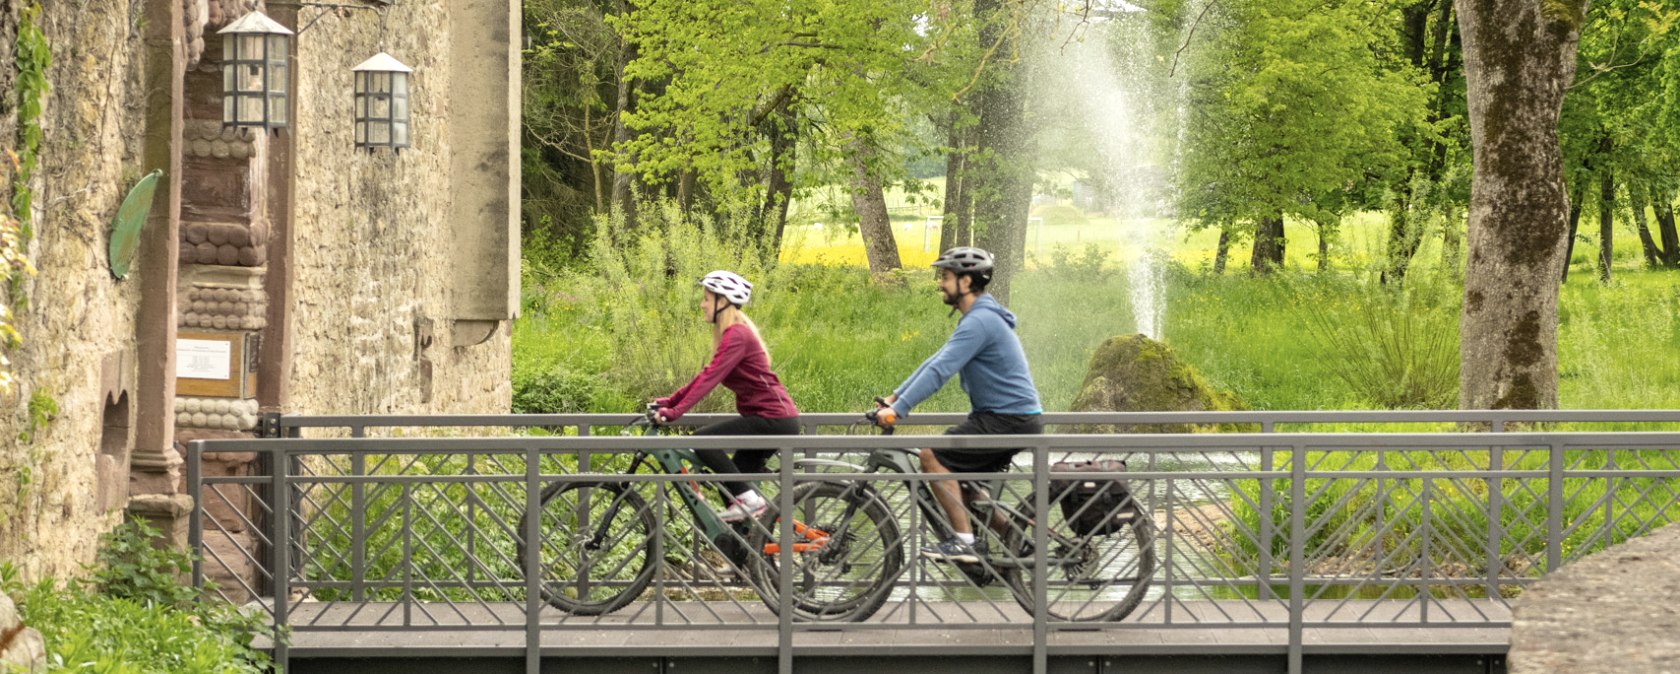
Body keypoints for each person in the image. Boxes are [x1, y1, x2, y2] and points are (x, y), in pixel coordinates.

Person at [874, 246, 1044, 563]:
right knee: (956, 477)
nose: (940, 283)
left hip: (1008, 419)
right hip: (1004, 417)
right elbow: (935, 360)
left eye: (946, 277)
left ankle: (965, 542)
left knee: (932, 455)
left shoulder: (980, 322)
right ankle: (1014, 537)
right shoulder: (979, 319)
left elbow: (941, 372)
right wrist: (895, 397)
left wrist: (898, 411)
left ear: (966, 282)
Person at [654, 270, 800, 522]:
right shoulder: (735, 333)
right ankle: (746, 556)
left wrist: (675, 412)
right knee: (732, 485)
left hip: (772, 418)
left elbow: (711, 377)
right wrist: (671, 402)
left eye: (707, 298)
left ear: (723, 302)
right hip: (771, 418)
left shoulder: (737, 335)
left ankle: (751, 503)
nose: (702, 304)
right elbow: (706, 374)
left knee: (702, 440)